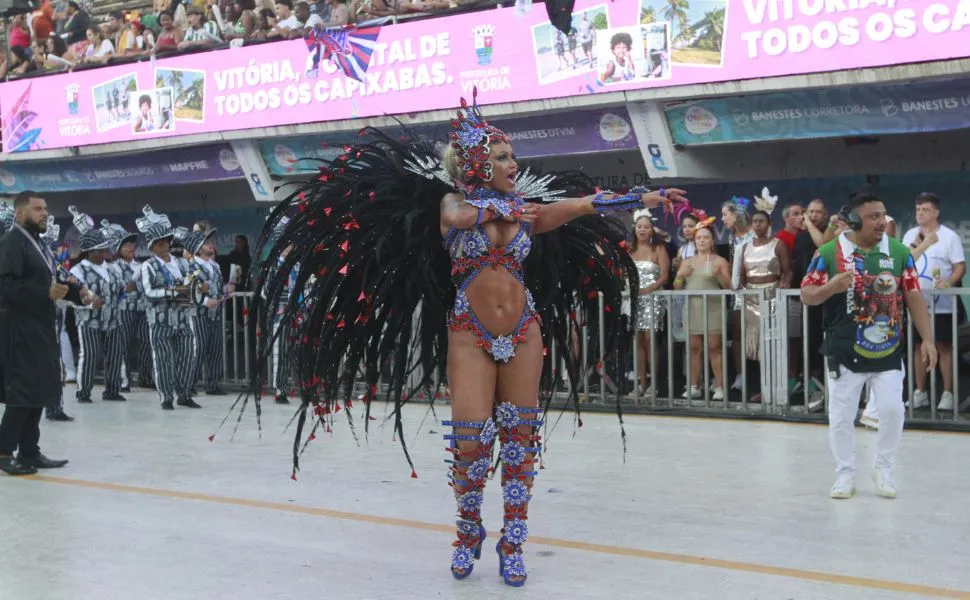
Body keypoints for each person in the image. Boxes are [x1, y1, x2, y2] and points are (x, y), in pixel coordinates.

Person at [243, 90, 686, 587]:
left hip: (523, 328)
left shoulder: (522, 210)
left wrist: (637, 197)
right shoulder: (453, 202)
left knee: (520, 438)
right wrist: (509, 209)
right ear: (477, 162)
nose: (514, 164)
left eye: (513, 156)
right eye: (503, 157)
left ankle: (513, 540)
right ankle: (468, 528)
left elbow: (577, 205)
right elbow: (459, 218)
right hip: (469, 332)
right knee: (471, 440)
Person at [800, 193, 936, 500]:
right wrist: (830, 287)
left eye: (884, 215)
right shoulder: (829, 251)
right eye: (874, 216)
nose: (882, 221)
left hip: (888, 350)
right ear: (856, 220)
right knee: (841, 416)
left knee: (892, 410)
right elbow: (806, 294)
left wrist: (927, 339)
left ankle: (884, 468)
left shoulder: (899, 252)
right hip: (844, 351)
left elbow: (913, 295)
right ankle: (845, 474)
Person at [0, 192, 90, 475]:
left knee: (37, 389)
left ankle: (29, 450)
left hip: (40, 327)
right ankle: (3, 452)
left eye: (45, 209)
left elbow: (53, 281)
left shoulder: (38, 244)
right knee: (23, 392)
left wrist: (77, 292)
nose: (43, 213)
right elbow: (5, 287)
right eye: (37, 209)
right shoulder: (12, 243)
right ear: (20, 214)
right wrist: (44, 292)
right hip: (19, 330)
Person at [901, 193, 965, 411]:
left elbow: (959, 267)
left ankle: (947, 393)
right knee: (918, 346)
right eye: (918, 209)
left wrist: (948, 283)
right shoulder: (910, 234)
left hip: (943, 304)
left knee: (943, 346)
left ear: (936, 212)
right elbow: (905, 262)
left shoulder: (949, 237)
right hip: (918, 302)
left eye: (925, 209)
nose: (920, 213)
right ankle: (920, 392)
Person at [135, 207, 200, 410]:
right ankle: (165, 397)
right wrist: (172, 292)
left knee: (187, 357)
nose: (163, 245)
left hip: (183, 317)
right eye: (158, 243)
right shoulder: (148, 266)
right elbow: (148, 292)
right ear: (152, 247)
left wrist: (198, 286)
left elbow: (194, 281)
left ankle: (184, 394)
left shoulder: (182, 263)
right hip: (160, 320)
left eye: (165, 241)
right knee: (163, 360)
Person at [68, 208, 125, 404]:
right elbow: (73, 298)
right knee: (90, 355)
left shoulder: (113, 268)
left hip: (113, 320)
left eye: (104, 249)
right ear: (88, 252)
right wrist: (90, 304)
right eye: (99, 250)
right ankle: (83, 392)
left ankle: (112, 390)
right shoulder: (78, 270)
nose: (103, 253)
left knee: (116, 356)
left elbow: (121, 291)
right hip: (89, 321)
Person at [673, 220, 731, 399]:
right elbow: (677, 287)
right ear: (694, 240)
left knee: (714, 347)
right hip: (692, 307)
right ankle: (693, 385)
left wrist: (719, 274)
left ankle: (720, 386)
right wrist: (679, 276)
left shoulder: (720, 261)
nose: (702, 241)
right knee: (694, 347)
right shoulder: (687, 261)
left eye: (706, 237)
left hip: (713, 306)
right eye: (699, 238)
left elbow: (729, 286)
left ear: (713, 240)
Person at [628, 208, 669, 395]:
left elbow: (664, 276)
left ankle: (654, 382)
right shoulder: (629, 249)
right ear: (634, 228)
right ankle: (641, 382)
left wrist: (647, 290)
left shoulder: (658, 249)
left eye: (646, 227)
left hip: (653, 299)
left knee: (650, 340)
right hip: (634, 300)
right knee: (638, 341)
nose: (642, 230)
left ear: (652, 229)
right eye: (639, 227)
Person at [186, 228, 228, 396]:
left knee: (215, 348)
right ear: (197, 247)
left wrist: (227, 289)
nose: (211, 244)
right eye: (206, 243)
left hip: (215, 314)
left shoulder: (215, 266)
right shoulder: (191, 266)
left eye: (211, 241)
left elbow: (219, 288)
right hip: (199, 314)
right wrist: (204, 301)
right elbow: (189, 290)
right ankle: (189, 383)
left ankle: (212, 384)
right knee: (199, 348)